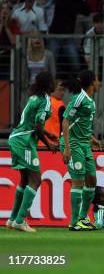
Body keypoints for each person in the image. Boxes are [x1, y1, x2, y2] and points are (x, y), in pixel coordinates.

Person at [6, 71, 58, 232]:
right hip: (24, 142)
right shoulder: (45, 101)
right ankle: (20, 220)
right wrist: (48, 144)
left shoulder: (33, 97)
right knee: (36, 179)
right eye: (53, 80)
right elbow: (37, 126)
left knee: (24, 180)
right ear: (49, 84)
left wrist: (48, 134)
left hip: (16, 137)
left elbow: (32, 123)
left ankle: (12, 219)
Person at [60, 69, 102, 231]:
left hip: (85, 144)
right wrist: (67, 149)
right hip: (73, 144)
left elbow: (80, 123)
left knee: (91, 180)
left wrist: (92, 139)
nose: (99, 83)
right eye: (97, 80)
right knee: (78, 181)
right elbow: (66, 121)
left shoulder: (90, 101)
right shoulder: (78, 99)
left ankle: (83, 218)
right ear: (92, 82)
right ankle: (74, 221)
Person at [47, 0, 89, 75]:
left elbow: (86, 12)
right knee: (51, 61)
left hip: (68, 36)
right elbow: (62, 8)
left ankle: (77, 82)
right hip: (55, 35)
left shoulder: (77, 0)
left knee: (75, 63)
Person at [83, 12, 104, 79]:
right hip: (95, 57)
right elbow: (86, 49)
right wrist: (88, 59)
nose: (100, 25)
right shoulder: (89, 34)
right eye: (97, 23)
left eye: (101, 22)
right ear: (93, 24)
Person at [37, 81, 65, 147]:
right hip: (54, 144)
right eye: (60, 90)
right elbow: (63, 127)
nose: (62, 93)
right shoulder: (60, 105)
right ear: (52, 89)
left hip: (39, 143)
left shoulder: (41, 101)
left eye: (63, 90)